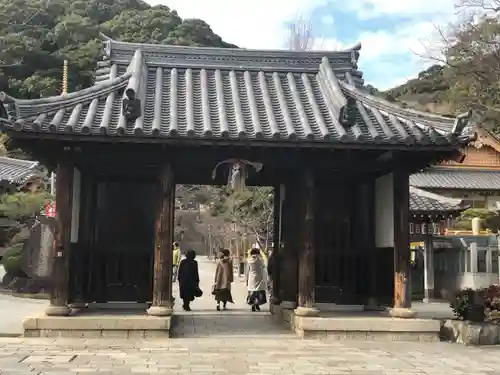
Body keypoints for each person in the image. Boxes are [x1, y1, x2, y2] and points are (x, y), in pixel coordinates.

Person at [246, 248, 268, 312]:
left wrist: (246, 280)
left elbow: (247, 270)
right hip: (259, 277)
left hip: (251, 278)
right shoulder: (260, 260)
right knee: (259, 292)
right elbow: (264, 266)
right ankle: (257, 304)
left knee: (252, 292)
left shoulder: (249, 260)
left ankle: (253, 304)